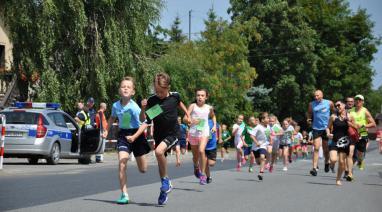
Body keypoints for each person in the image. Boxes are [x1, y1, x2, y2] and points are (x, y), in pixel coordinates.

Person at [126, 72, 190, 205]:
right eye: (156, 91)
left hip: (173, 133)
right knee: (161, 161)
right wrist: (143, 109)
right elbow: (144, 120)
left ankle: (166, 181)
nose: (159, 94)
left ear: (168, 87)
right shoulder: (153, 101)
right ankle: (164, 188)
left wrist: (187, 113)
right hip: (159, 135)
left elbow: (180, 104)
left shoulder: (174, 97)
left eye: (161, 91)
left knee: (159, 152)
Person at [104, 77, 151, 204]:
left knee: (143, 169)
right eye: (123, 86)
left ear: (133, 92)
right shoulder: (115, 105)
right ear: (120, 90)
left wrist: (135, 137)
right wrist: (106, 130)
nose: (125, 88)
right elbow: (112, 118)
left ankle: (140, 158)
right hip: (123, 135)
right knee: (122, 163)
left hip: (137, 134)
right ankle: (124, 194)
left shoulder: (135, 107)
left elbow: (144, 123)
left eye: (128, 87)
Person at [187, 89, 216, 185]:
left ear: (206, 97)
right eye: (198, 95)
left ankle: (203, 175)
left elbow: (213, 116)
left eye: (202, 95)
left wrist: (215, 126)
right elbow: (184, 118)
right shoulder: (193, 106)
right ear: (196, 97)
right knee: (195, 156)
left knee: (201, 151)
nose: (200, 97)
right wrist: (190, 120)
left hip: (204, 132)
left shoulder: (209, 108)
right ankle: (196, 167)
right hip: (193, 133)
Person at [326, 101, 356, 185]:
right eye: (336, 106)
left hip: (344, 141)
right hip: (335, 140)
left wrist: (348, 121)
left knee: (342, 162)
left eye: (339, 105)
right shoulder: (333, 117)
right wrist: (328, 134)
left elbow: (356, 126)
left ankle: (338, 179)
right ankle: (331, 165)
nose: (337, 107)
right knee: (333, 159)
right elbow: (328, 127)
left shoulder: (350, 116)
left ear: (344, 106)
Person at [307, 90, 334, 176]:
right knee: (316, 148)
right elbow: (309, 113)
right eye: (315, 96)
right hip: (316, 128)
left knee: (326, 149)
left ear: (322, 95)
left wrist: (333, 122)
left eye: (317, 96)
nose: (316, 97)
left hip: (326, 128)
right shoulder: (312, 104)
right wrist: (308, 118)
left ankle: (327, 162)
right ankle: (314, 168)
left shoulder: (329, 103)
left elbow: (334, 111)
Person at [349, 95, 376, 171]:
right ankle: (349, 171)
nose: (358, 101)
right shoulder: (350, 111)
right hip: (353, 131)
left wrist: (363, 126)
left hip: (363, 131)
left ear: (363, 102)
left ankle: (360, 160)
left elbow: (373, 124)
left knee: (360, 152)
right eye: (356, 99)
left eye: (360, 100)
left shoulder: (365, 111)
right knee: (351, 151)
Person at [250, 112, 271, 180]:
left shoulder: (268, 127)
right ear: (262, 120)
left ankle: (261, 173)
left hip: (263, 145)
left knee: (262, 157)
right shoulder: (258, 127)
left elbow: (268, 135)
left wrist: (270, 140)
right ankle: (262, 165)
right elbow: (252, 135)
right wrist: (256, 142)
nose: (269, 119)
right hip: (256, 147)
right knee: (258, 162)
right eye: (267, 118)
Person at [205, 114, 219, 183]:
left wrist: (220, 137)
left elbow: (219, 128)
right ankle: (208, 177)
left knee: (211, 164)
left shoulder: (213, 121)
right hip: (203, 145)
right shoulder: (201, 121)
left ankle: (205, 162)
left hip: (212, 145)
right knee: (205, 162)